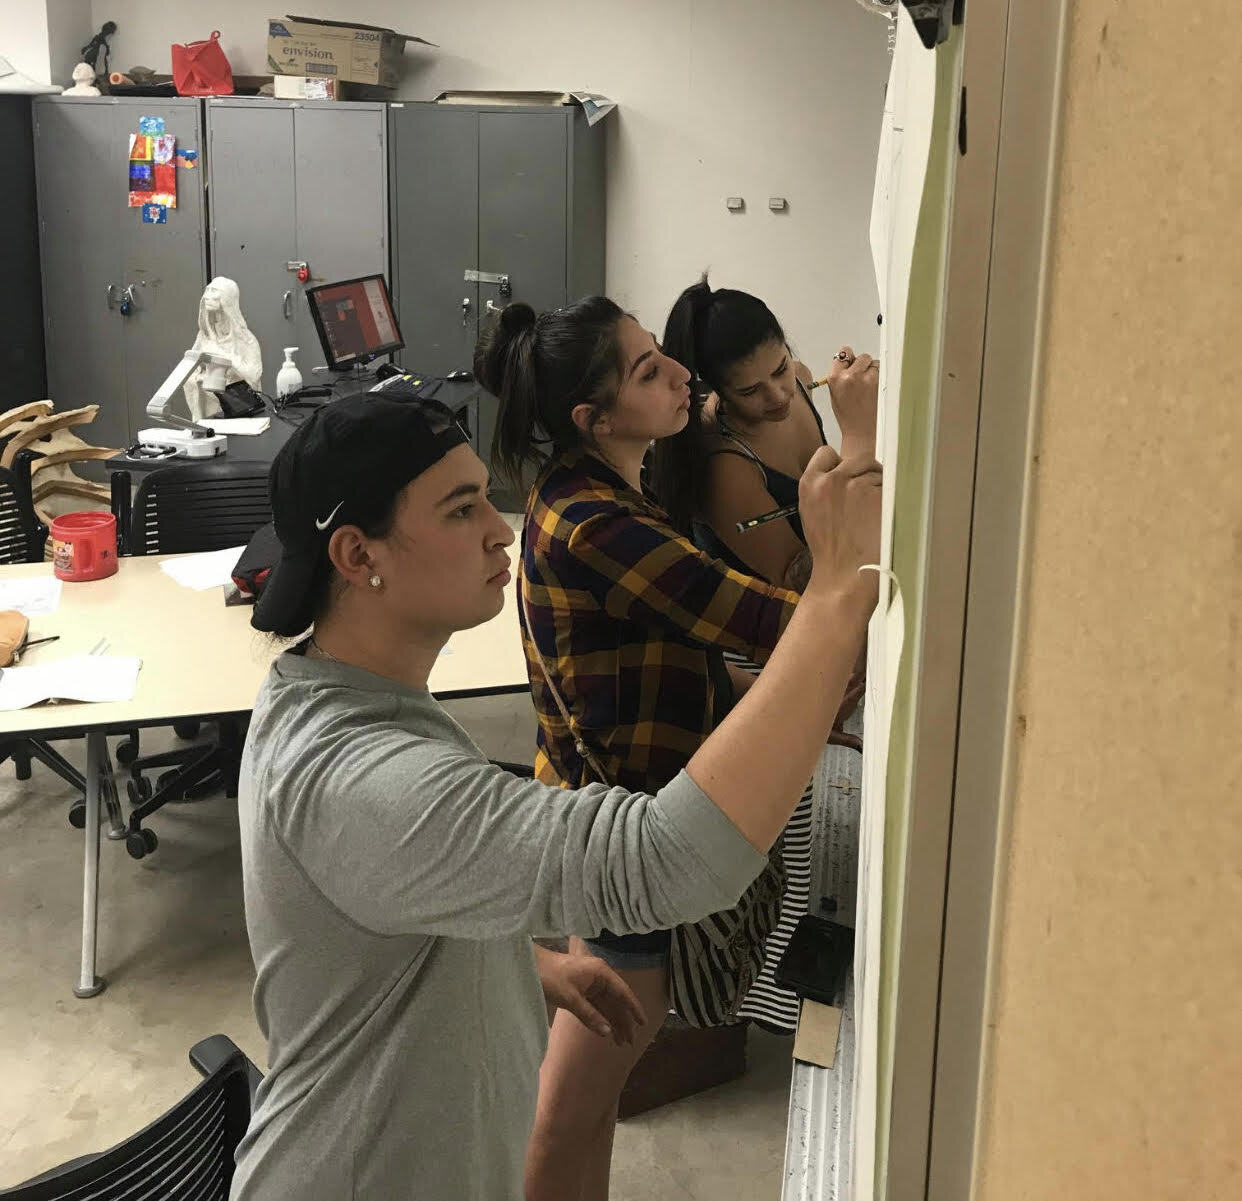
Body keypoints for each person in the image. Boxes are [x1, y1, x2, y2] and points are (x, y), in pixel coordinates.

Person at [473, 297, 879, 1200]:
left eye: (664, 357)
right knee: (572, 1104)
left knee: (597, 1082)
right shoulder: (597, 522)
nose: (678, 375)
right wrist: (859, 452)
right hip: (617, 828)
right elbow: (769, 616)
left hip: (613, 809)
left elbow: (683, 653)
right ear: (595, 418)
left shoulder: (616, 493)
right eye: (650, 371)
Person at [649, 277, 879, 1034]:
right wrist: (862, 442)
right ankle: (770, 1001)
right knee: (796, 830)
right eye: (752, 391)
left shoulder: (797, 387)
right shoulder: (726, 463)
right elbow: (813, 584)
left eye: (784, 369)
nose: (781, 396)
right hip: (777, 649)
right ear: (716, 395)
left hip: (829, 640)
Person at [184, 276, 263, 421]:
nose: (208, 296)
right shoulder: (204, 337)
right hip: (211, 406)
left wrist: (226, 358)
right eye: (208, 291)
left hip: (239, 405)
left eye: (214, 291)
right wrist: (198, 376)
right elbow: (190, 369)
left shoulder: (245, 340)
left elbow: (253, 376)